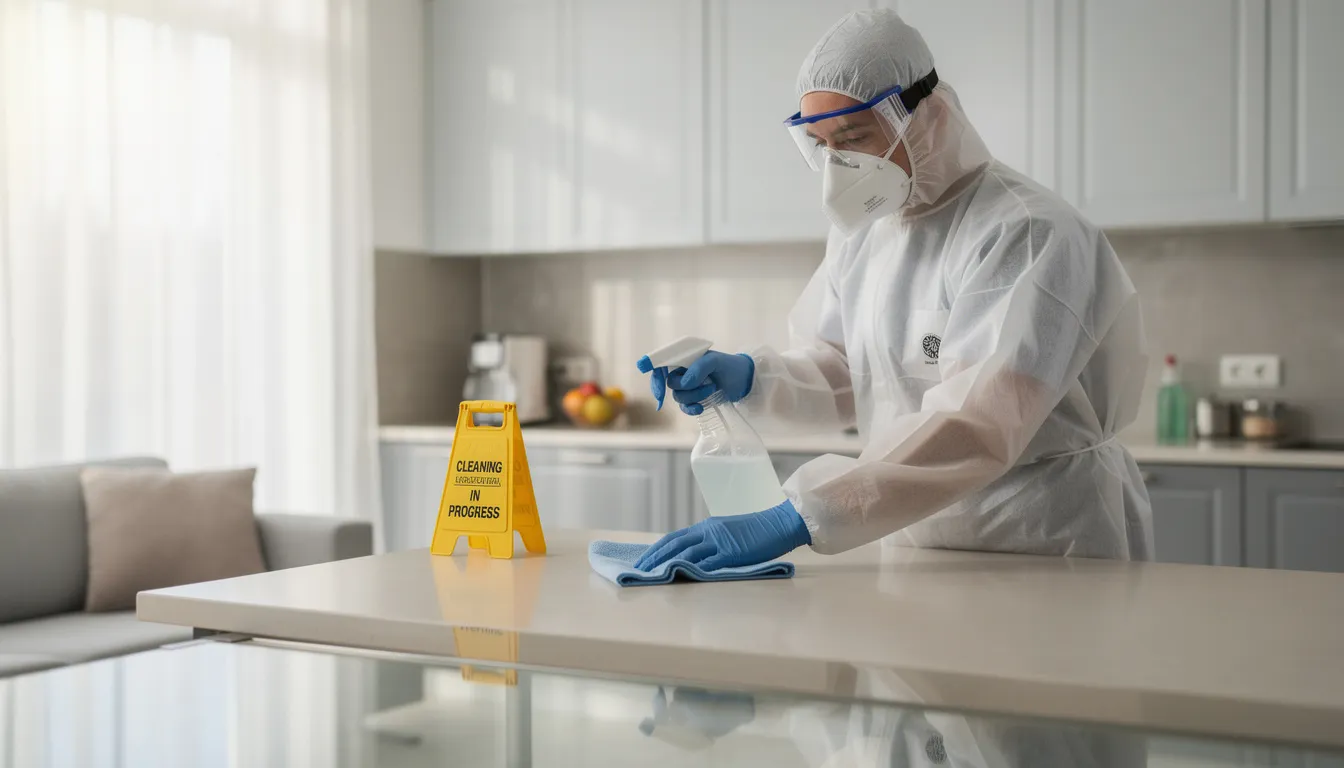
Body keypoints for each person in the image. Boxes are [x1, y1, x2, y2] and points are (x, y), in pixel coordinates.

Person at [634, 9, 1153, 573]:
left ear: (925, 115)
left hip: (1041, 541)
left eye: (853, 137)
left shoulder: (1024, 230)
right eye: (823, 144)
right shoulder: (866, 236)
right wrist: (751, 377)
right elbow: (846, 369)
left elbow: (981, 421)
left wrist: (802, 514)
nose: (839, 165)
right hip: (912, 539)